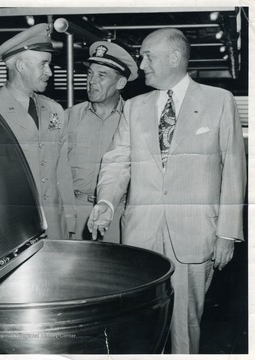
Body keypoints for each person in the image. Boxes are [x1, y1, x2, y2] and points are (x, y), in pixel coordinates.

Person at [88, 28, 246, 354]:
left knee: (185, 327)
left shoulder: (219, 101)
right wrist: (106, 201)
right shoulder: (134, 107)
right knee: (140, 324)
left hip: (195, 235)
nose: (141, 63)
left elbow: (233, 170)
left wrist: (227, 233)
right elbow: (118, 162)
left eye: (148, 56)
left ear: (174, 58)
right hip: (141, 239)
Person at [0, 23, 76, 239]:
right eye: (43, 64)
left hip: (56, 227)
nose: (50, 72)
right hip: (10, 230)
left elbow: (61, 171)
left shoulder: (54, 109)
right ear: (21, 66)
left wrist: (70, 222)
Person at [65, 41, 138, 242]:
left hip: (118, 215)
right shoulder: (68, 117)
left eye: (101, 75)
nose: (91, 81)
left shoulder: (135, 119)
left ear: (121, 83)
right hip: (76, 212)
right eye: (90, 73)